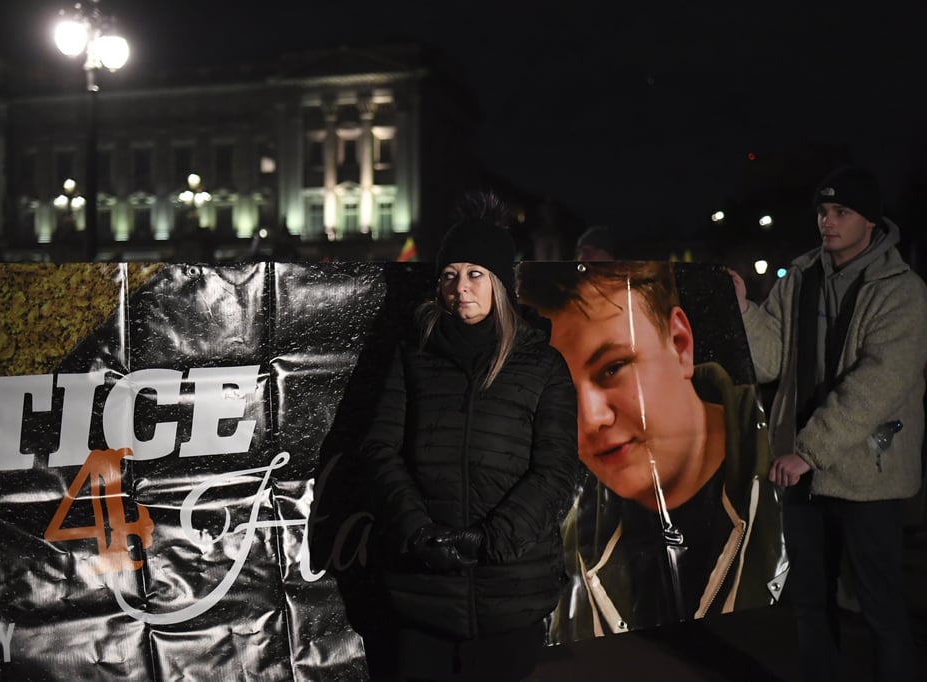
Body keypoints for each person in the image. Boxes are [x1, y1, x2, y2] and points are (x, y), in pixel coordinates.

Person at [360, 191, 578, 680]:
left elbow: (556, 471)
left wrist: (489, 540)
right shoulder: (412, 356)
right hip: (422, 590)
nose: (461, 287)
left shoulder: (543, 366)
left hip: (509, 590)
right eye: (450, 275)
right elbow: (380, 449)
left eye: (475, 274)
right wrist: (417, 531)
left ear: (499, 281)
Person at [730, 165, 927, 682]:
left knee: (880, 608)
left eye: (842, 212)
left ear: (870, 221)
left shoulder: (902, 290)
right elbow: (770, 359)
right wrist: (744, 310)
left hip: (868, 477)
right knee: (811, 605)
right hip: (802, 475)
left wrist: (808, 450)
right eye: (822, 210)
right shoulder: (800, 276)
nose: (827, 221)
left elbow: (878, 385)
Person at [518, 260, 785, 640]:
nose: (590, 418)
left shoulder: (783, 485)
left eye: (613, 368)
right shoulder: (565, 535)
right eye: (558, 387)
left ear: (680, 345)